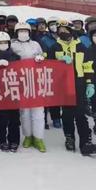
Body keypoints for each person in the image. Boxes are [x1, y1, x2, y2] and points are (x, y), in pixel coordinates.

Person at [47, 20, 96, 156]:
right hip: (62, 85)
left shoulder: (81, 47)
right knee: (67, 114)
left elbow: (88, 66)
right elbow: (47, 66)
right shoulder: (54, 47)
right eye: (60, 30)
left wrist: (90, 82)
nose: (63, 33)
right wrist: (60, 61)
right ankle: (69, 137)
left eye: (66, 30)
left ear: (71, 31)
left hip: (79, 83)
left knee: (81, 113)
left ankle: (86, 141)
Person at [10, 22, 46, 152]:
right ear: (16, 33)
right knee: (24, 112)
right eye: (20, 31)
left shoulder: (35, 44)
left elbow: (43, 56)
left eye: (25, 31)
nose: (23, 33)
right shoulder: (13, 45)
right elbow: (10, 60)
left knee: (38, 111)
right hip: (20, 81)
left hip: (35, 81)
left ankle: (38, 138)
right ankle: (28, 136)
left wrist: (40, 57)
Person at [0, 31, 21, 152]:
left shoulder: (15, 56)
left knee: (14, 117)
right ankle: (1, 139)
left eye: (5, 42)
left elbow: (21, 70)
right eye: (0, 43)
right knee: (1, 117)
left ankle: (14, 140)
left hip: (13, 89)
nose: (3, 44)